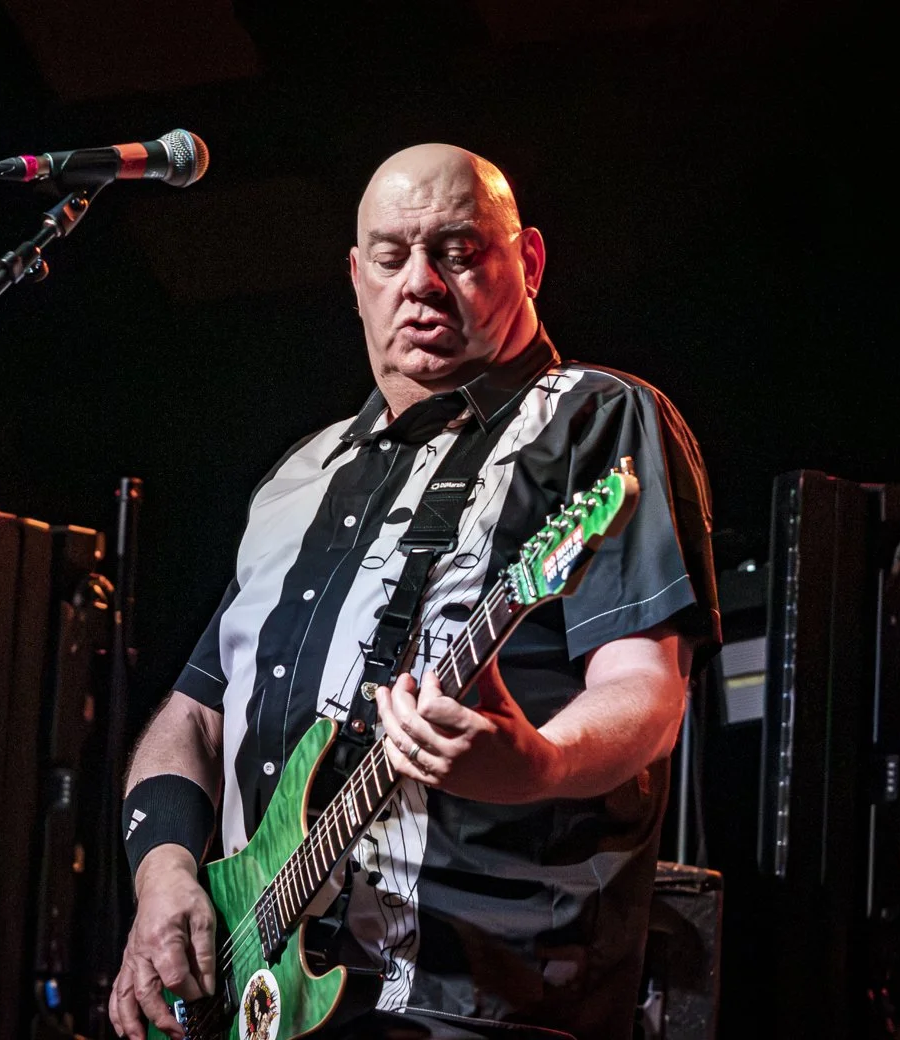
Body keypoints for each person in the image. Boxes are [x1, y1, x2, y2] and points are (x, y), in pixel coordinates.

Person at [108, 143, 720, 1040]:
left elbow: (646, 690)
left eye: (459, 252)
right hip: (258, 994)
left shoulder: (595, 416)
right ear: (356, 278)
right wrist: (163, 876)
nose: (422, 284)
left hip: (471, 997)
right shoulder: (301, 475)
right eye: (392, 257)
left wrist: (539, 762)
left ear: (530, 262)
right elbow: (195, 715)